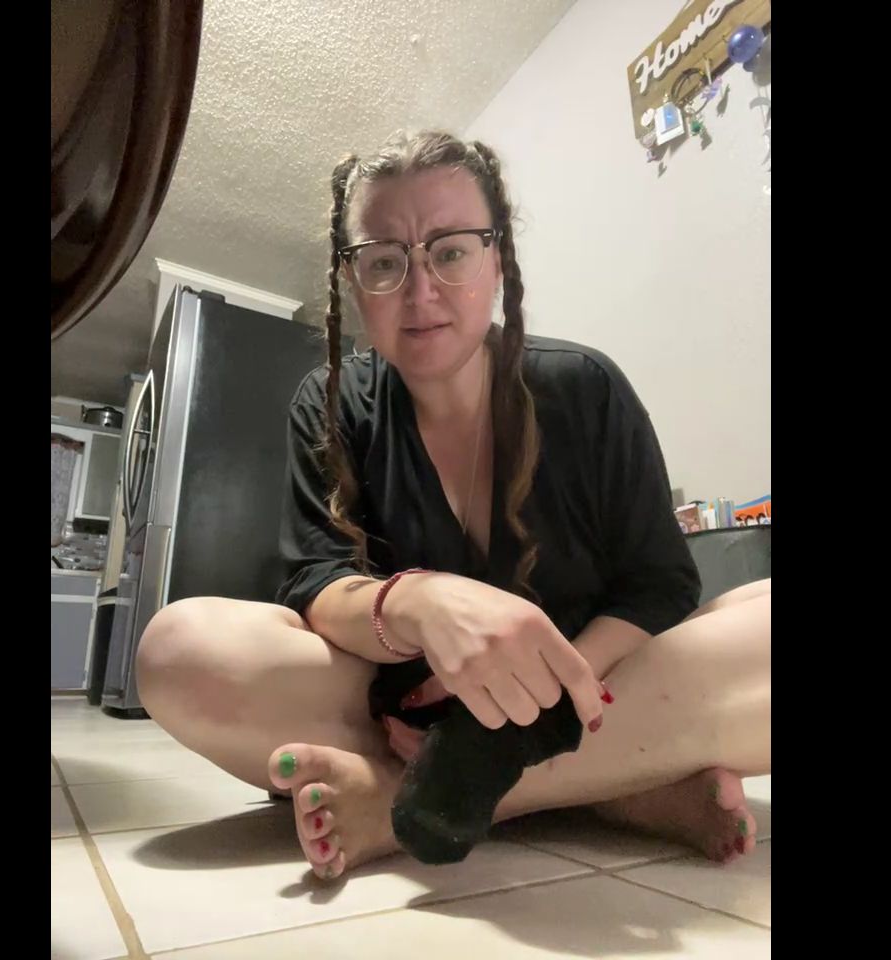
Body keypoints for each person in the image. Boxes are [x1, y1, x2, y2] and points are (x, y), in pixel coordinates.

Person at [136, 130, 771, 882]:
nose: (420, 291)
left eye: (452, 250)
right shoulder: (330, 404)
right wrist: (418, 604)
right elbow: (315, 583)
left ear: (497, 260)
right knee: (179, 653)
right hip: (407, 707)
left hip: (590, 691)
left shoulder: (586, 387)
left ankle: (420, 800)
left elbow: (660, 586)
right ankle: (615, 788)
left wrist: (529, 706)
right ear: (351, 281)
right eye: (384, 261)